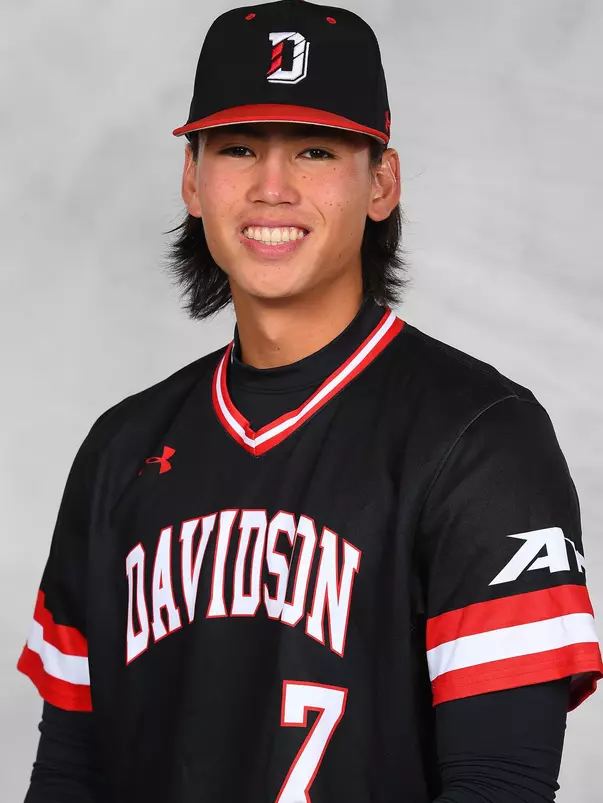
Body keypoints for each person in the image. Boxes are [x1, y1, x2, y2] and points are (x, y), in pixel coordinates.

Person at [18, 1, 603, 802]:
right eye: (236, 148)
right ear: (193, 180)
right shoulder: (120, 448)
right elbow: (68, 774)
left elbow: (499, 784)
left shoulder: (481, 440)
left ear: (380, 183)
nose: (270, 187)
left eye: (316, 151)